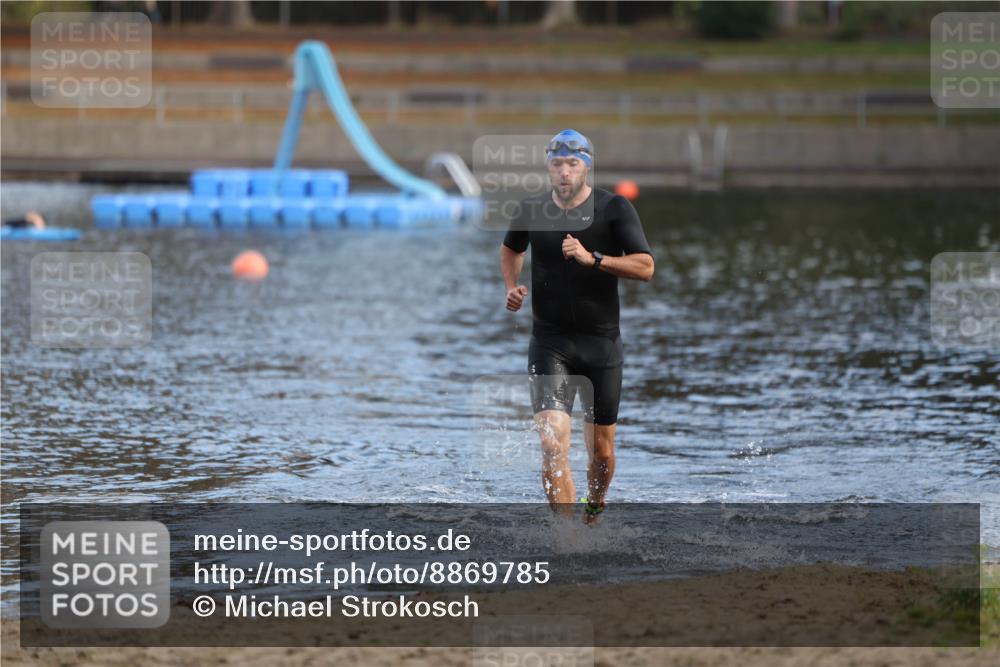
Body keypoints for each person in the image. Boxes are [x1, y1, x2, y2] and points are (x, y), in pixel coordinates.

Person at [499, 129, 654, 522]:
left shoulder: (614, 208)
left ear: (587, 166)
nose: (564, 172)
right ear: (548, 169)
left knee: (601, 453)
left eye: (573, 164)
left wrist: (594, 260)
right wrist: (511, 287)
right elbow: (511, 249)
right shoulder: (531, 209)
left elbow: (645, 266)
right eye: (557, 164)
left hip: (601, 345)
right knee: (553, 443)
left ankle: (593, 508)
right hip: (550, 343)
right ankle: (568, 538)